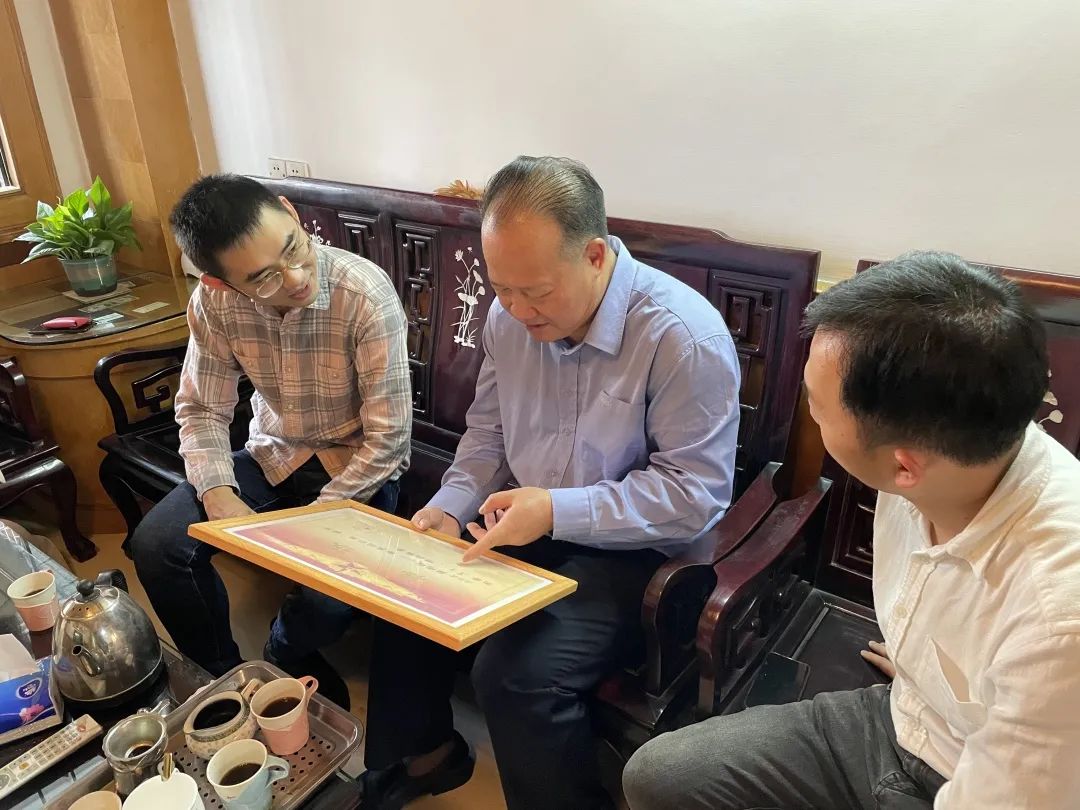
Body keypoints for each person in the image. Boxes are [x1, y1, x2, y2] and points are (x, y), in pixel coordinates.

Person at [623, 251, 1080, 809]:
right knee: (657, 775)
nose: (808, 413)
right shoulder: (945, 455)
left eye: (817, 406)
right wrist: (933, 666)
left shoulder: (1057, 624)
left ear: (904, 467)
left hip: (970, 777)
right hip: (906, 715)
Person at [360, 156, 741, 810]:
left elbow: (692, 497)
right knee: (408, 590)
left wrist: (556, 510)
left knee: (515, 675)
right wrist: (450, 506)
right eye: (501, 288)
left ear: (595, 255)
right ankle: (428, 756)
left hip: (639, 553)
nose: (515, 309)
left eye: (534, 291)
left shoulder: (681, 336)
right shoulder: (507, 319)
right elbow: (487, 433)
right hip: (524, 514)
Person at [130, 174, 411, 707]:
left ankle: (284, 652)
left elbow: (389, 439)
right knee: (159, 545)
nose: (296, 278)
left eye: (294, 248)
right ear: (219, 283)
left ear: (290, 211)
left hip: (356, 470)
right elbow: (202, 407)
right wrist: (218, 493)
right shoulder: (213, 303)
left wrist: (307, 528)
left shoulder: (363, 294)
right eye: (263, 279)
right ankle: (223, 679)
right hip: (274, 453)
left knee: (329, 599)